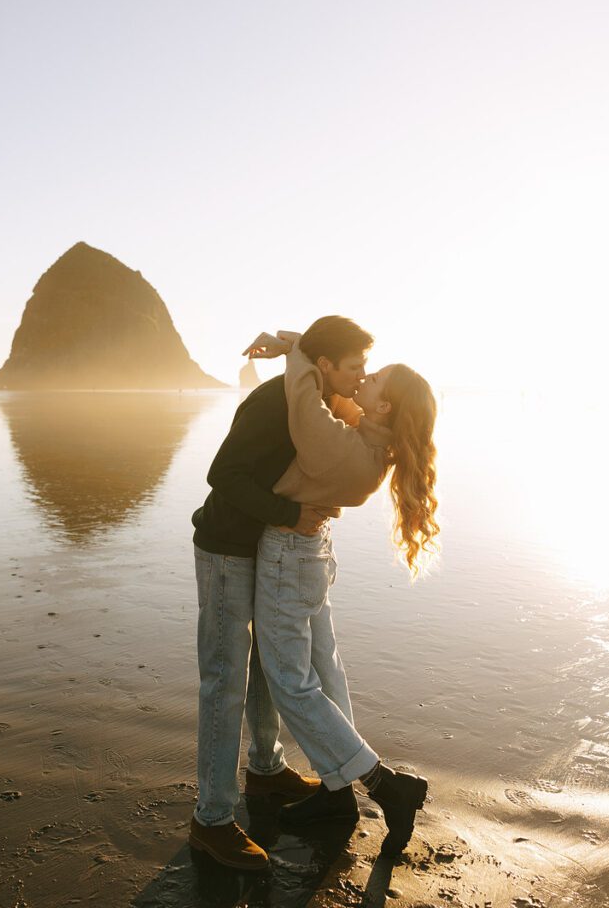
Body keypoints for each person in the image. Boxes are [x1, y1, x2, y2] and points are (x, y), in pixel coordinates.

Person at [244, 330, 439, 857]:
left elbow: (303, 399)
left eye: (372, 379)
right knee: (325, 672)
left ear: (385, 404)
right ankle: (337, 792)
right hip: (311, 556)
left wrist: (301, 351)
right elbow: (335, 399)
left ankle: (382, 785)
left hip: (289, 554)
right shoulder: (371, 439)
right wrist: (301, 344)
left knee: (290, 682)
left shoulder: (342, 446)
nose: (362, 379)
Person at [189, 316, 374, 870]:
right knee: (225, 680)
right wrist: (291, 514)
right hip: (227, 548)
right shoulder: (276, 401)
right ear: (325, 366)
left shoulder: (311, 398)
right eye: (356, 366)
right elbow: (222, 474)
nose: (363, 376)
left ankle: (265, 772)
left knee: (271, 667)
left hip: (263, 548)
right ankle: (212, 821)